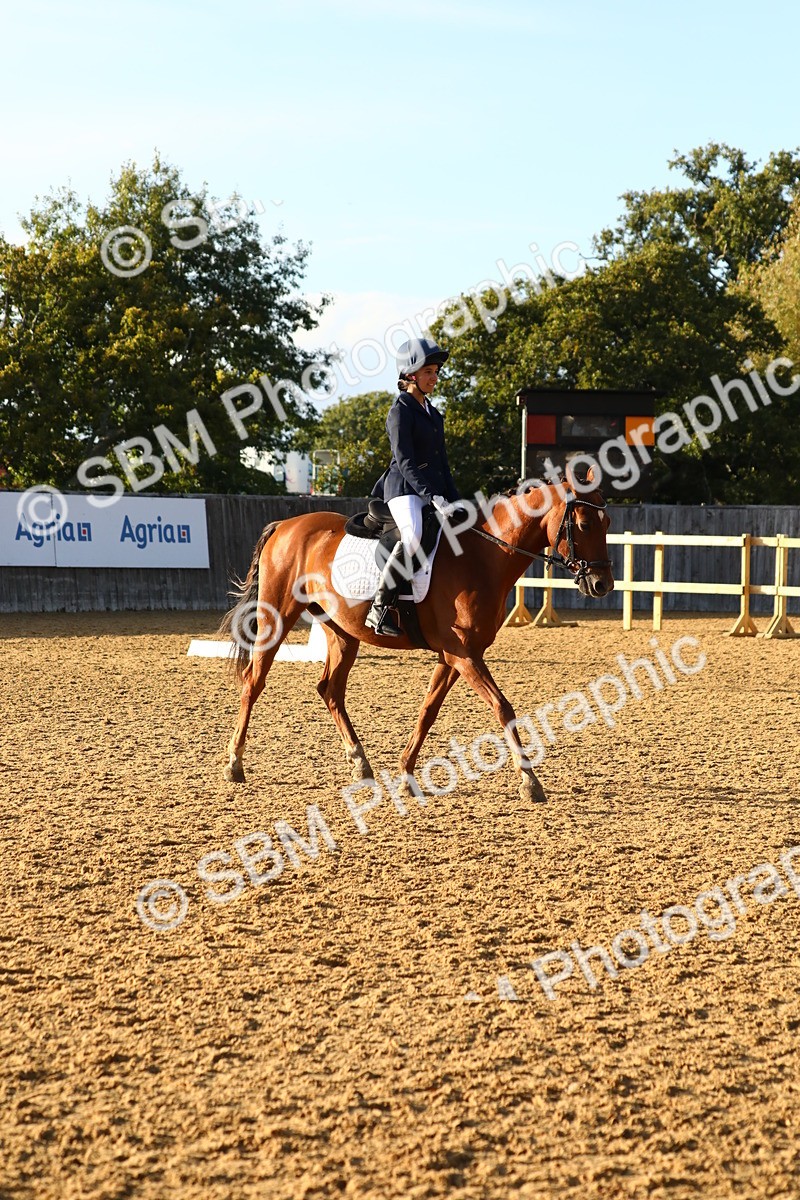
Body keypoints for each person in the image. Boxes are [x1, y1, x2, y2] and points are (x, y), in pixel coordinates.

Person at [365, 337, 461, 636]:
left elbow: (443, 464)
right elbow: (405, 462)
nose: (435, 377)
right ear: (410, 375)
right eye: (429, 371)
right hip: (403, 489)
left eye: (436, 371)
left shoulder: (434, 414)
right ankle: (379, 608)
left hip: (431, 491)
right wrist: (432, 495)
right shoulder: (400, 412)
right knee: (414, 536)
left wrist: (456, 500)